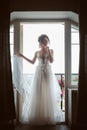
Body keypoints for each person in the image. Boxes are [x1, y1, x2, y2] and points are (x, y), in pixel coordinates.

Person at [16, 34, 64, 126]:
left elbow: (52, 61)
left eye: (47, 40)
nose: (46, 42)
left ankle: (49, 117)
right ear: (41, 42)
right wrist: (22, 56)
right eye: (44, 41)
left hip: (47, 73)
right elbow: (32, 62)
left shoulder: (51, 50)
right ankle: (38, 117)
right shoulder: (37, 52)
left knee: (47, 94)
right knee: (38, 93)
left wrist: (49, 52)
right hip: (39, 73)